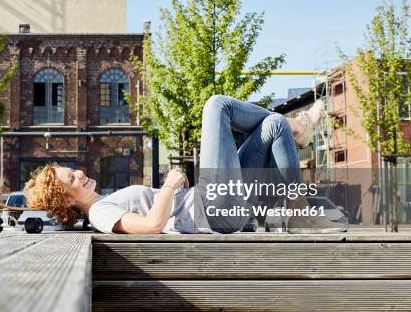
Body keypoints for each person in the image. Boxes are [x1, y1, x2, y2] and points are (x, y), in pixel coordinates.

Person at [24, 95, 347, 234]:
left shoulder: (104, 203)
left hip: (221, 204)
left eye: (74, 170)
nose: (80, 173)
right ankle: (298, 128)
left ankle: (299, 205)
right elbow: (151, 226)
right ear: (67, 199)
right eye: (72, 178)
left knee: (274, 125)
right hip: (212, 208)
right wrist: (169, 186)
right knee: (216, 105)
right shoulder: (99, 213)